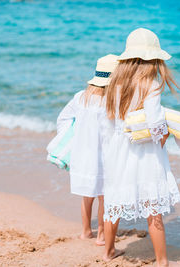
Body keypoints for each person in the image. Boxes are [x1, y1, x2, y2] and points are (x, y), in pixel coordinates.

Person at [102, 28, 180, 267]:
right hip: (144, 152)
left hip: (118, 149)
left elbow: (112, 119)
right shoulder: (151, 85)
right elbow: (156, 125)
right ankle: (162, 260)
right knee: (152, 207)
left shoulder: (115, 83)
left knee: (114, 203)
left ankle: (108, 252)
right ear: (153, 59)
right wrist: (167, 133)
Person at [56, 54, 119, 246]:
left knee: (87, 194)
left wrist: (73, 139)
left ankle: (86, 231)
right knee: (104, 196)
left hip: (82, 154)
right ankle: (101, 234)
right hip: (105, 155)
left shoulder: (81, 97)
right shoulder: (113, 101)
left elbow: (63, 119)